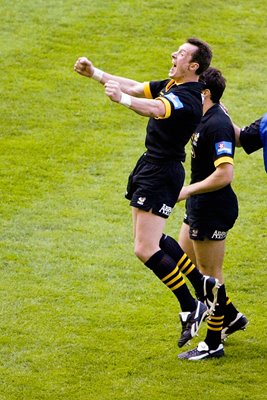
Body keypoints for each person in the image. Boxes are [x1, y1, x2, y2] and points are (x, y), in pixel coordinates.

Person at [74, 38, 218, 348]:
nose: (173, 55)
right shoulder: (172, 83)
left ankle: (191, 304)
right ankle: (200, 285)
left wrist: (122, 100)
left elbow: (154, 108)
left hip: (162, 172)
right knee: (153, 240)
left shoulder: (188, 98)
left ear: (193, 65)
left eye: (180, 54)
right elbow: (138, 87)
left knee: (144, 247)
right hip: (150, 166)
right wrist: (96, 74)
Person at [163, 67, 246, 360]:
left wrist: (185, 191)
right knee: (175, 253)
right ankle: (231, 315)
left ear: (206, 93)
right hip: (199, 206)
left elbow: (224, 174)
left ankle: (213, 343)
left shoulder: (217, 124)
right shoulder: (205, 115)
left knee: (211, 276)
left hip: (212, 208)